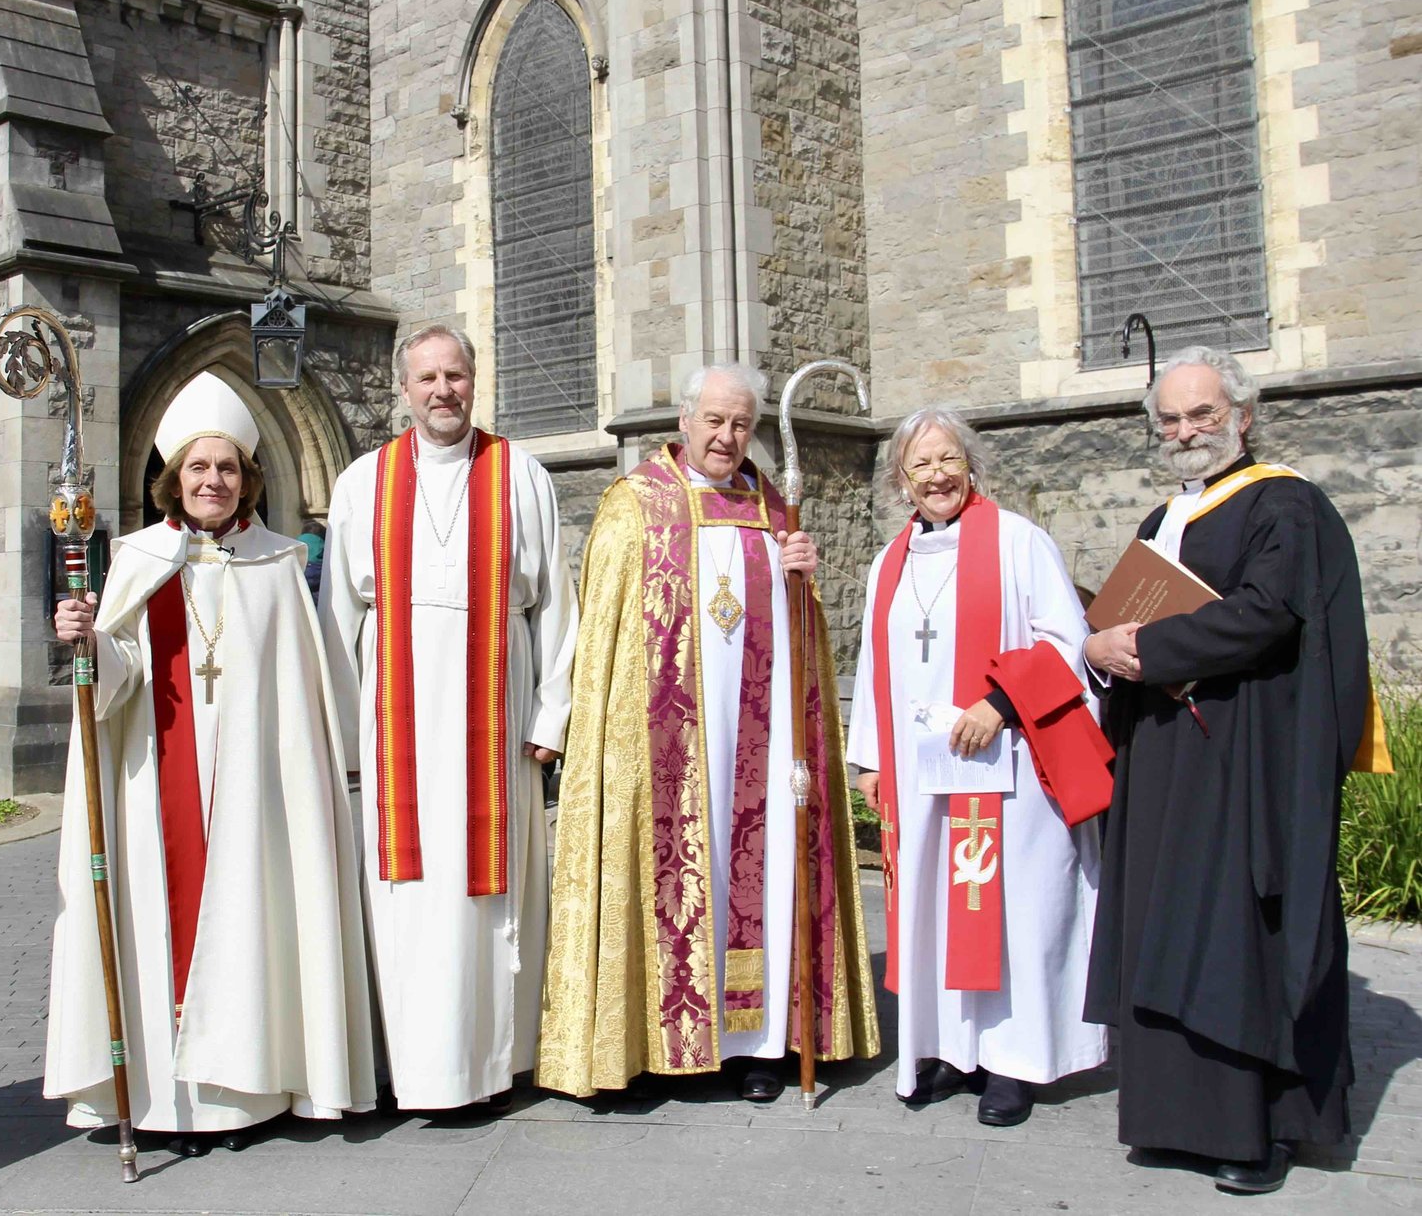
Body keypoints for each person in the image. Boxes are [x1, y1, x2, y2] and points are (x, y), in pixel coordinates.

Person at [45, 373, 375, 1155]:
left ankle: (246, 1095)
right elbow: (118, 675)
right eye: (198, 468)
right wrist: (88, 641)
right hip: (155, 781)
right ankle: (162, 1101)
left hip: (256, 791)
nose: (213, 482)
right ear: (174, 479)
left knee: (257, 910)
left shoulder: (280, 566)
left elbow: (304, 696)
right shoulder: (135, 559)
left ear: (248, 480)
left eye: (227, 468)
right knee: (158, 917)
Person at [539, 362, 879, 1103]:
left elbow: (803, 647)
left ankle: (761, 1044)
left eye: (741, 425)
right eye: (715, 422)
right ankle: (656, 1043)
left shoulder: (772, 509)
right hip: (669, 756)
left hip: (759, 749)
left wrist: (802, 581)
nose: (727, 438)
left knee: (767, 873)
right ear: (683, 423)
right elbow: (603, 645)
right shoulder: (634, 508)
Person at [1083, 347, 1375, 1194]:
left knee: (1234, 935)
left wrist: (1141, 650)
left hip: (1244, 758)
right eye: (1170, 419)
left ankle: (1257, 1131)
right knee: (1165, 926)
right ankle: (1174, 1118)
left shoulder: (1285, 504)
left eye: (1202, 414)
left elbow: (1268, 615)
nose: (1186, 432)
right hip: (1164, 756)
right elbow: (1115, 617)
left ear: (1242, 414)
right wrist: (1097, 649)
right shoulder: (1160, 516)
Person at [319, 324, 578, 1112]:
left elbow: (559, 608)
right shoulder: (363, 482)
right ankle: (413, 1066)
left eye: (456, 376)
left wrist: (551, 716)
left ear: (474, 382)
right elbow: (337, 614)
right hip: (397, 735)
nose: (443, 391)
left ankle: (494, 1065)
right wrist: (341, 737)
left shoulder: (522, 476)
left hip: (496, 732)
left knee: (484, 901)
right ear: (405, 389)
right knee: (410, 901)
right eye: (428, 377)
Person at [844, 409, 1110, 1127]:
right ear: (901, 482)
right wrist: (868, 757)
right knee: (934, 911)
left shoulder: (1019, 542)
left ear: (971, 465)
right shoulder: (889, 563)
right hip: (922, 774)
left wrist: (1000, 703)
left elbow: (1069, 642)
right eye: (920, 465)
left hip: (1007, 772)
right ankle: (951, 1049)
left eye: (947, 459)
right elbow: (877, 662)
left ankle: (1013, 1062)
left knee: (1015, 914)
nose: (936, 475)